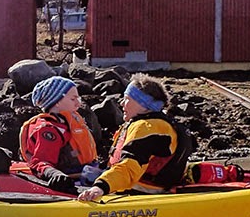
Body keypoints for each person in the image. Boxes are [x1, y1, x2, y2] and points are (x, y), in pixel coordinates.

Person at [77, 74, 194, 202]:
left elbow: (129, 167)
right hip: (128, 184)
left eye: (127, 99)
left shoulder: (147, 127)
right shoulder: (149, 123)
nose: (121, 103)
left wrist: (100, 187)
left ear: (143, 104)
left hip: (142, 192)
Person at [18, 76, 98, 194]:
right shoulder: (48, 129)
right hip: (70, 179)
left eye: (78, 98)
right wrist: (54, 174)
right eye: (73, 99)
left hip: (87, 171)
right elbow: (39, 161)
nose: (78, 103)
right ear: (57, 102)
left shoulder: (71, 121)